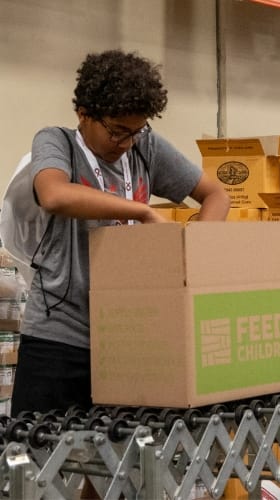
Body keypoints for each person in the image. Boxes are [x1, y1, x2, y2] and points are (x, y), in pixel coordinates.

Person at [10, 50, 231, 415]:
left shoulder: (145, 147)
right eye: (117, 131)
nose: (127, 143)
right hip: (61, 336)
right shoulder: (56, 143)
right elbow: (54, 194)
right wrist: (142, 211)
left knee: (123, 459)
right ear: (84, 114)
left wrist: (193, 252)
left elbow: (217, 195)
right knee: (40, 459)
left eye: (136, 131)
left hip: (130, 337)